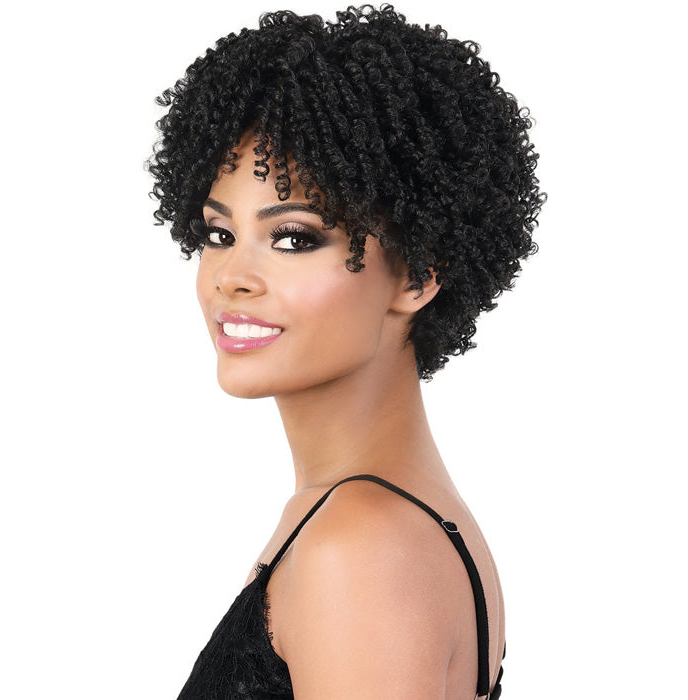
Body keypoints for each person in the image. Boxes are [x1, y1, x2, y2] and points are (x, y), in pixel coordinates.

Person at [147, 4, 545, 698]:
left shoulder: (361, 546)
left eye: (294, 238)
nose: (231, 277)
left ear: (417, 274)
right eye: (218, 234)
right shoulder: (373, 516)